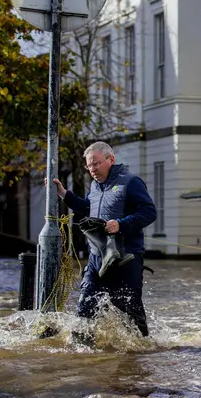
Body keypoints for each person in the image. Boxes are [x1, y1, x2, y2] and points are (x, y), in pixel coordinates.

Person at [48, 141, 157, 338]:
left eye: (96, 164)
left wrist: (121, 224)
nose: (92, 169)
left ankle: (145, 349)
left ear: (111, 159)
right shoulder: (95, 186)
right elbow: (87, 207)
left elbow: (149, 212)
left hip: (126, 259)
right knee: (84, 309)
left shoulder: (131, 182)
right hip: (97, 258)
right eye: (89, 165)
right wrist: (63, 194)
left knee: (131, 314)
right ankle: (83, 355)